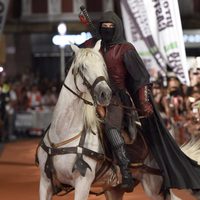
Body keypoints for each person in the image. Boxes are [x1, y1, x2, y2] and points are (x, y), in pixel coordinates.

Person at [68, 11, 200, 194]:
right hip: (92, 97)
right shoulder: (94, 44)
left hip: (116, 99)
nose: (107, 30)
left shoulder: (125, 49)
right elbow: (77, 52)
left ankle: (125, 171)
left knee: (111, 128)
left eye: (110, 27)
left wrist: (144, 101)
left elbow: (141, 78)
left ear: (117, 28)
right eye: (103, 27)